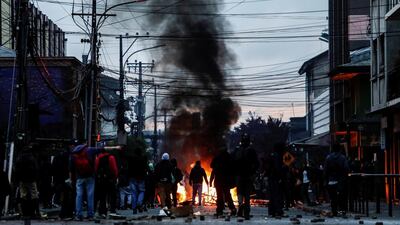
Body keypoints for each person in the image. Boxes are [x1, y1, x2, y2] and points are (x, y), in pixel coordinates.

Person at [69, 143, 120, 220]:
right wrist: (116, 147)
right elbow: (104, 149)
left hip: (79, 177)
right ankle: (90, 215)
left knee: (79, 195)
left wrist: (71, 179)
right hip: (90, 177)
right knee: (90, 195)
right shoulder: (89, 150)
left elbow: (71, 169)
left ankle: (78, 214)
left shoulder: (74, 154)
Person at [235, 134, 259, 220]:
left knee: (240, 193)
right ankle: (247, 213)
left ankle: (240, 207)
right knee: (247, 195)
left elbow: (233, 163)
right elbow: (257, 164)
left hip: (239, 176)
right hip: (248, 175)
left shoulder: (237, 150)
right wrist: (253, 173)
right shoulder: (252, 151)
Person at [14, 145, 41, 219]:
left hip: (22, 180)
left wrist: (17, 179)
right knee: (34, 195)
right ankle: (36, 212)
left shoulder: (19, 158)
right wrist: (36, 179)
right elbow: (36, 169)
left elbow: (16, 170)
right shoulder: (32, 158)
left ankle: (24, 213)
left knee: (23, 196)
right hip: (31, 180)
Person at [210, 147, 236, 217]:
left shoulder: (217, 158)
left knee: (220, 196)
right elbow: (233, 168)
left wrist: (211, 181)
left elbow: (212, 166)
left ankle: (219, 211)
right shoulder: (229, 157)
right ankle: (233, 209)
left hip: (219, 180)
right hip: (226, 180)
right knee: (227, 195)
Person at [324, 143, 349, 216]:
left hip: (331, 181)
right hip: (340, 181)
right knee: (341, 197)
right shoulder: (343, 158)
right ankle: (342, 211)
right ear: (340, 149)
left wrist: (325, 180)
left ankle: (334, 211)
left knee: (333, 198)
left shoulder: (328, 158)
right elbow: (346, 169)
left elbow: (325, 171)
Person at [95, 149, 119, 217]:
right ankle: (112, 210)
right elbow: (114, 168)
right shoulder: (111, 157)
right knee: (112, 195)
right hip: (110, 179)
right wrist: (115, 177)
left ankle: (102, 212)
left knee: (102, 196)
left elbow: (96, 169)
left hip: (102, 180)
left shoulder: (98, 158)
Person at [266, 142, 285, 217]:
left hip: (270, 177)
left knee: (271, 196)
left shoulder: (271, 155)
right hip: (276, 178)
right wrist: (280, 177)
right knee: (278, 195)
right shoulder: (278, 156)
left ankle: (271, 212)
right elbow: (278, 168)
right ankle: (278, 211)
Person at [127, 149, 148, 214]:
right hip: (141, 177)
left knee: (133, 193)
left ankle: (134, 208)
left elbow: (128, 167)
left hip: (132, 177)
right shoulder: (143, 159)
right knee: (142, 191)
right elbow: (146, 167)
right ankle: (139, 203)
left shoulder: (131, 158)